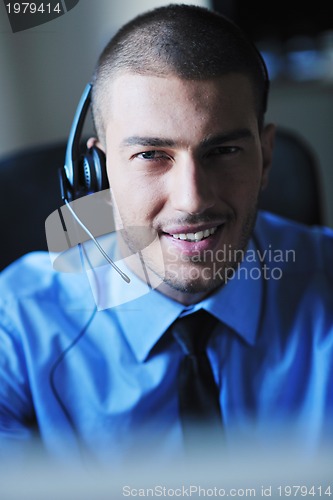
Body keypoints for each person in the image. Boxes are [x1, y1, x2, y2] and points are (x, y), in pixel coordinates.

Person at [0, 4, 332, 467]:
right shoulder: (16, 324)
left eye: (225, 150)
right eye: (152, 154)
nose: (192, 200)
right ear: (98, 173)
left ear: (267, 157)